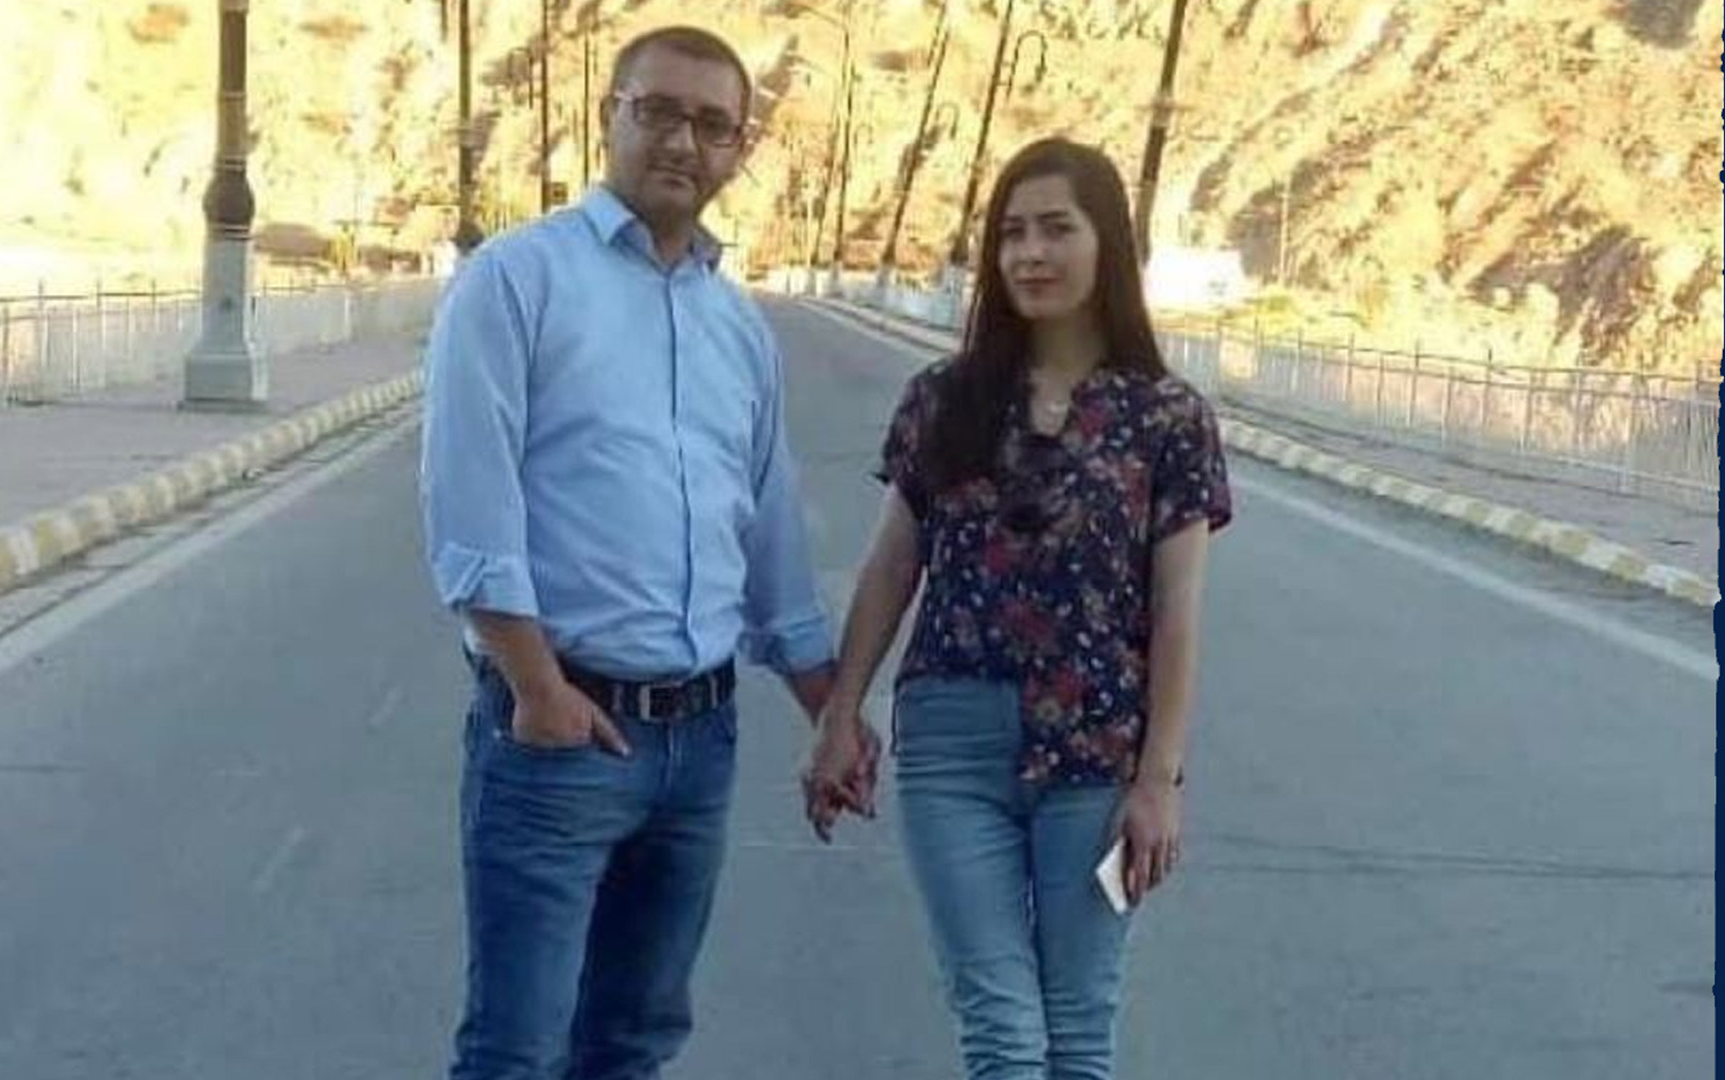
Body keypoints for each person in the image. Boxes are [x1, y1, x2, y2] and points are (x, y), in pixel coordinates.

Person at [419, 25, 872, 1080]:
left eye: (713, 126)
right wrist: (536, 688)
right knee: (516, 1051)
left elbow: (767, 538)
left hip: (700, 743)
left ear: (738, 149)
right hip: (561, 733)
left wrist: (832, 712)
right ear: (609, 117)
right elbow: (470, 503)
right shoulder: (516, 280)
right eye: (658, 111)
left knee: (633, 1045)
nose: (683, 142)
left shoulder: (737, 328)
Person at [804, 137, 1232, 1079]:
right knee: (1001, 1026)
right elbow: (893, 565)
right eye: (1011, 234)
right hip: (951, 744)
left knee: (1078, 1026)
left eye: (1056, 230)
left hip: (1098, 750)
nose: (1031, 254)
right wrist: (840, 715)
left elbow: (1177, 610)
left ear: (1107, 243)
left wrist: (1159, 780)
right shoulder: (943, 399)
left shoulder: (1167, 418)